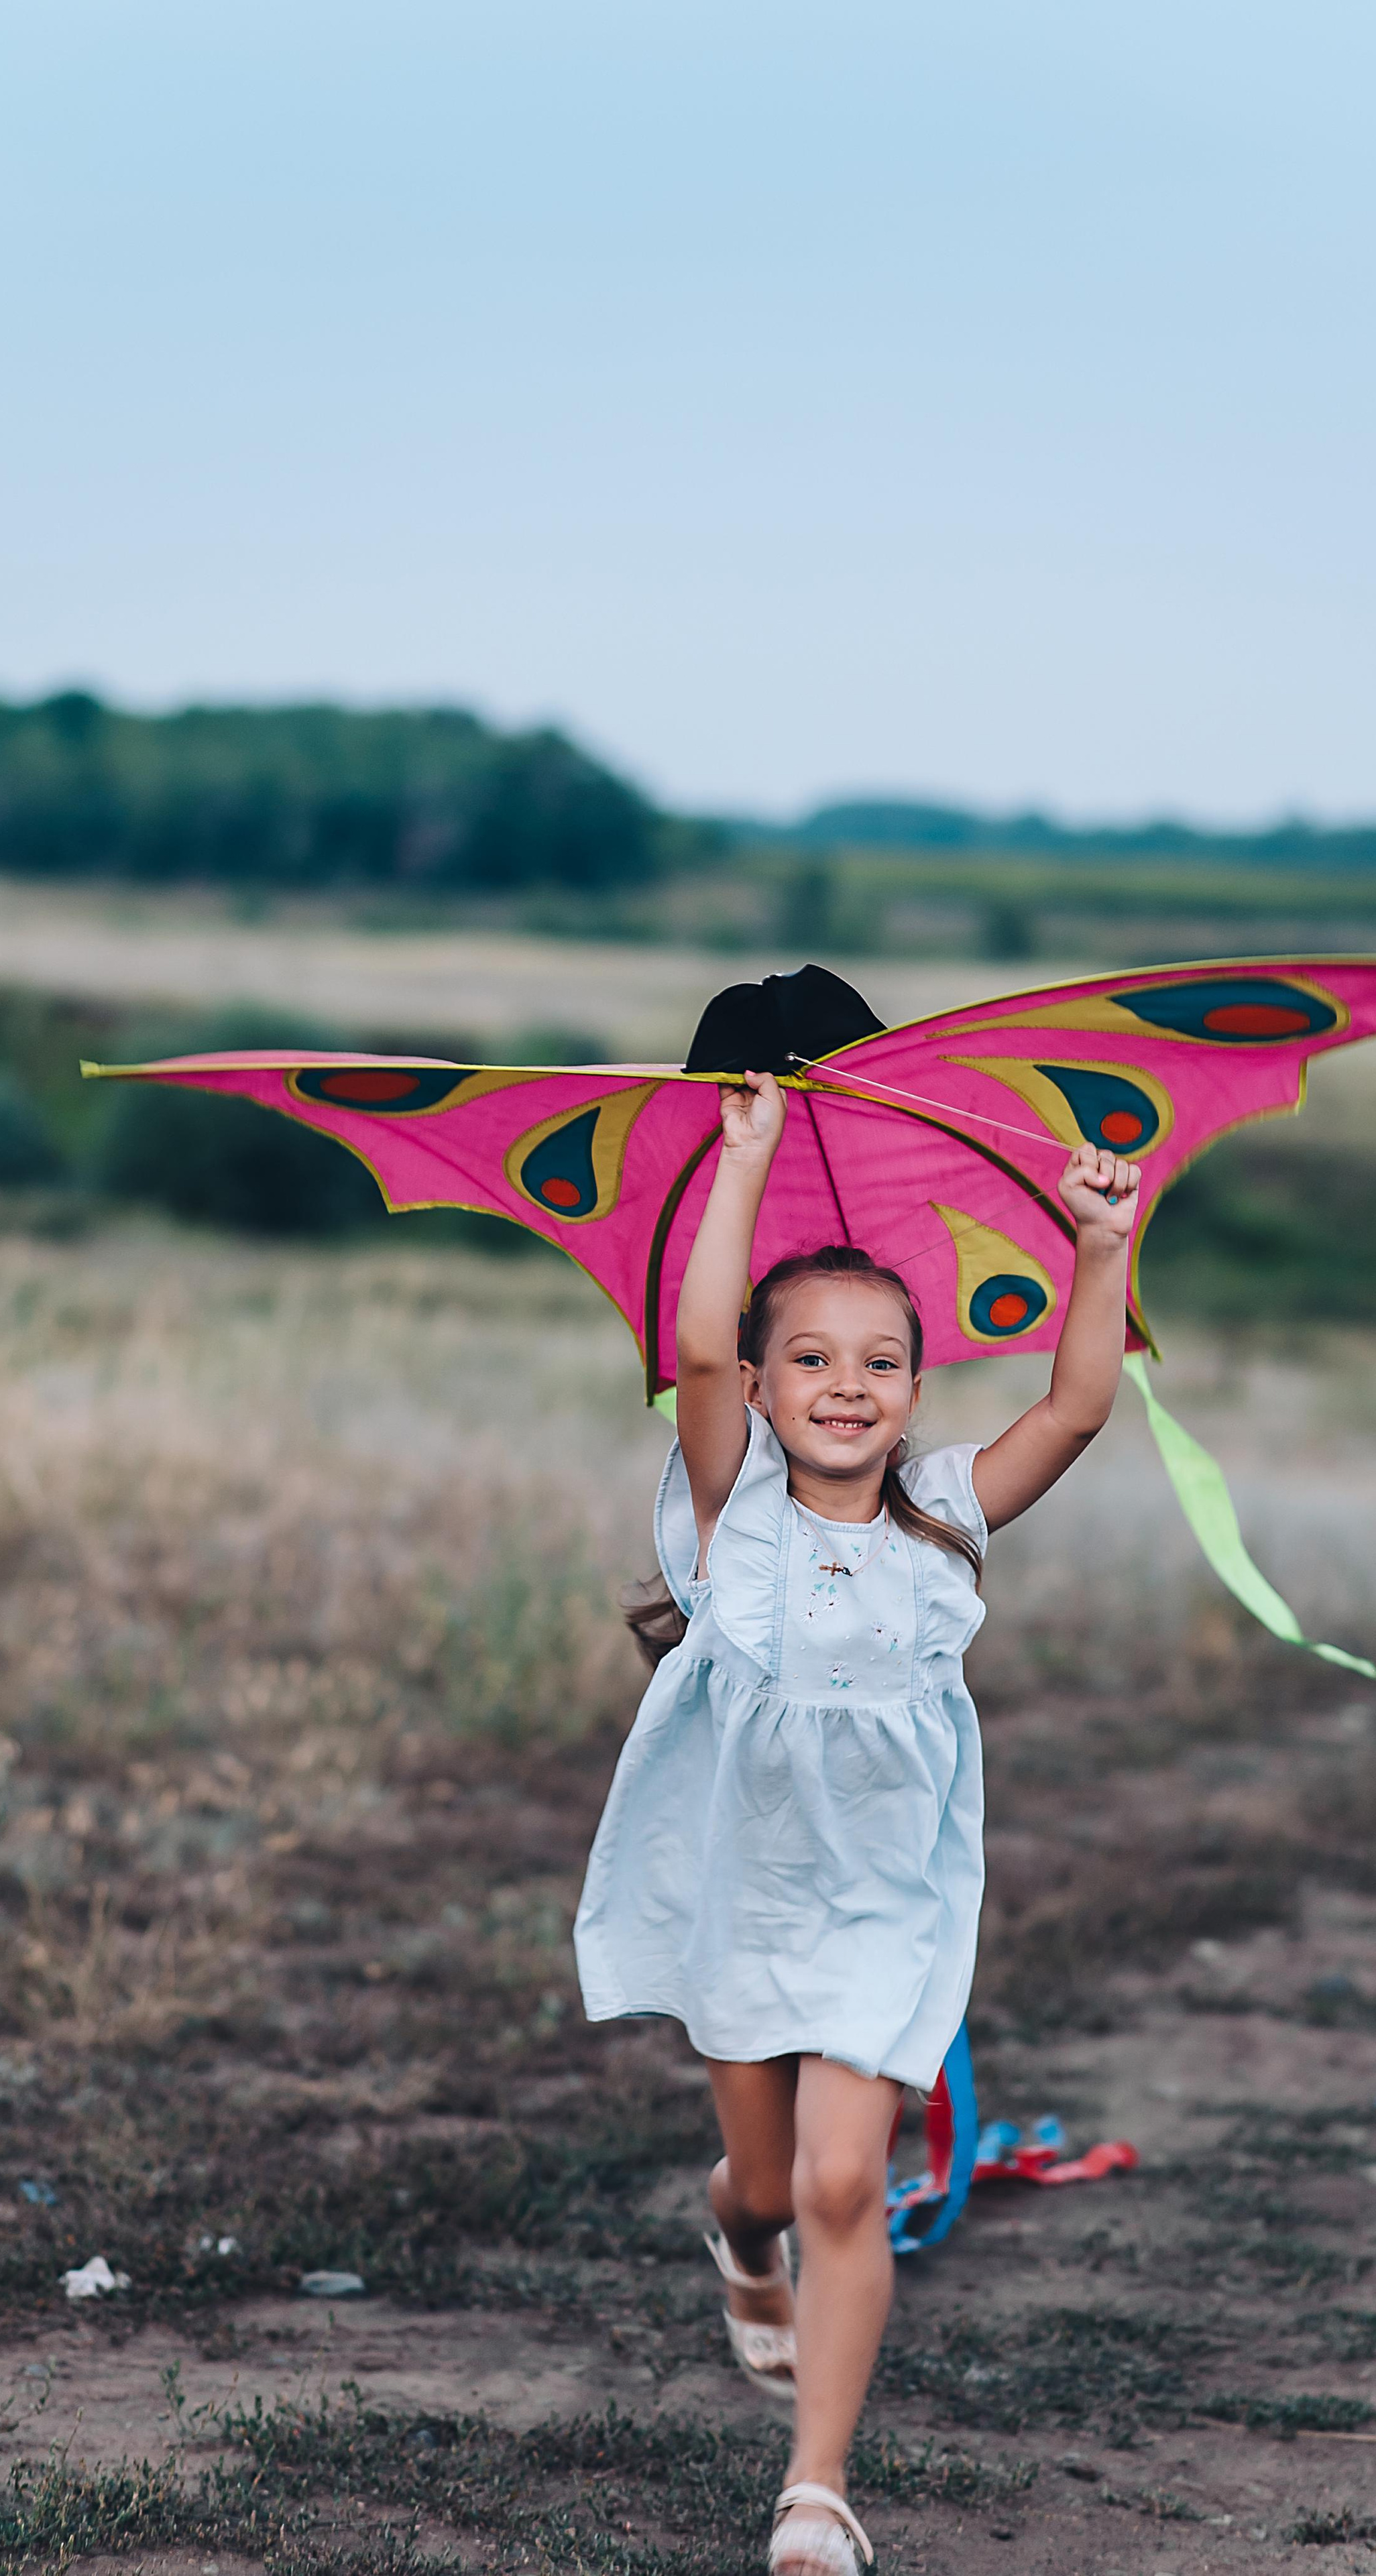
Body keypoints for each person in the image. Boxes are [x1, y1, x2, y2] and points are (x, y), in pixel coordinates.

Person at [573, 1069, 1140, 2576]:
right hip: (742, 1893)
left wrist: (1098, 1243)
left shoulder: (947, 1514)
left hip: (886, 1902)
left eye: (881, 1360)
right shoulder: (734, 1512)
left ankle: (814, 2489)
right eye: (809, 1358)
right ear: (761, 1391)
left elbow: (1077, 1406)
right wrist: (743, 1158)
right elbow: (699, 1340)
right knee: (771, 2186)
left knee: (843, 2182)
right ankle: (738, 2237)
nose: (845, 1382)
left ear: (914, 1389)